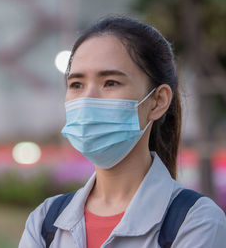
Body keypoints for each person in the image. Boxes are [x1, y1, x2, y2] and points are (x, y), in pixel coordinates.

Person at [19, 16, 226, 248]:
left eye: (110, 82)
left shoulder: (196, 222)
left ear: (158, 101)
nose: (88, 99)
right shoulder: (45, 221)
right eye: (77, 84)